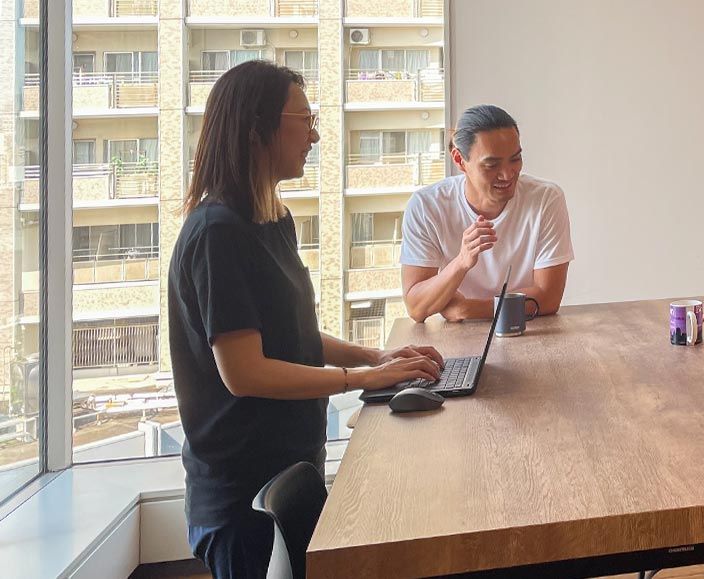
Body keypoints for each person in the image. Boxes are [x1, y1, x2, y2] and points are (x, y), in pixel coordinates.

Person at [168, 60, 444, 579]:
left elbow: (291, 334)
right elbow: (245, 372)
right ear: (257, 130)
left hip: (293, 468)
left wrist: (377, 356)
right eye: (305, 120)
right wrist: (360, 379)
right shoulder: (216, 233)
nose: (314, 136)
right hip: (244, 499)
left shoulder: (273, 219)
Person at [400, 104, 574, 322]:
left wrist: (470, 309)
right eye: (491, 165)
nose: (507, 174)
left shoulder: (545, 199)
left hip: (525, 329)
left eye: (515, 159)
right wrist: (461, 262)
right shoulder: (427, 206)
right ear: (459, 160)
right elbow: (416, 307)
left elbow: (548, 298)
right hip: (456, 335)